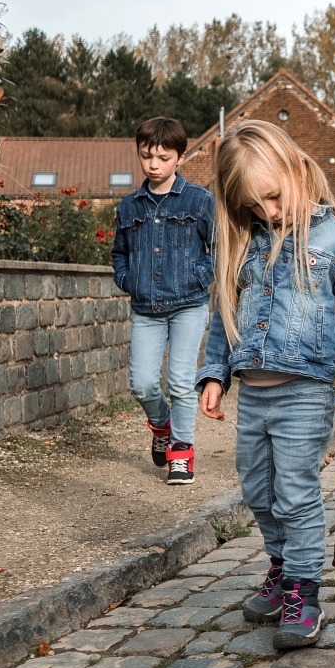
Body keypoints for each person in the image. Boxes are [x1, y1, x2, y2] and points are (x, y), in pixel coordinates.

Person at [196, 121, 335, 650]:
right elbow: (222, 316)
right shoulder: (244, 246)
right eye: (255, 206)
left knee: (294, 492)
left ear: (299, 169)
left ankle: (304, 589)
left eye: (274, 197)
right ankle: (281, 568)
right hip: (253, 394)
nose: (269, 213)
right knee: (256, 490)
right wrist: (214, 373)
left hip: (305, 392)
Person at [111, 117, 215, 486]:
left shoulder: (200, 201)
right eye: (146, 156)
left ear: (179, 157)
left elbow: (217, 249)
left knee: (182, 381)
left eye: (163, 158)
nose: (153, 165)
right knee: (141, 384)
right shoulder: (129, 207)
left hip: (189, 305)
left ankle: (182, 452)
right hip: (147, 309)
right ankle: (162, 425)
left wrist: (200, 276)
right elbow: (119, 253)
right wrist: (127, 281)